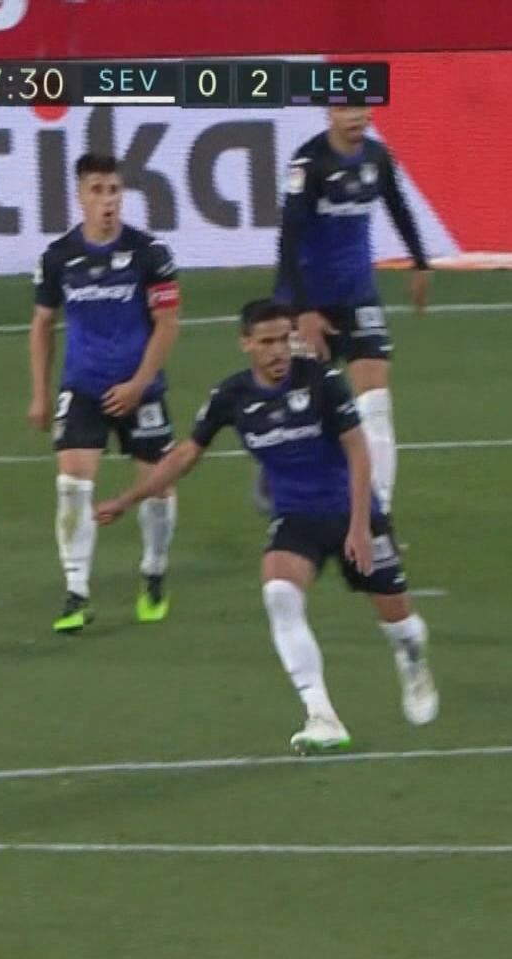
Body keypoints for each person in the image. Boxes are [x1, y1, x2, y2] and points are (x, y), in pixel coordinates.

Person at [96, 299, 438, 754]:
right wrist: (127, 499)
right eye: (267, 342)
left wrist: (359, 526)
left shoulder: (323, 382)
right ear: (246, 344)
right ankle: (321, 715)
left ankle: (411, 656)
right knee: (279, 594)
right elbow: (184, 456)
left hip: (352, 512)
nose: (278, 351)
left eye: (284, 339)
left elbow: (358, 451)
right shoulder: (231, 396)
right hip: (295, 518)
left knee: (399, 622)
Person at [28, 152, 181, 633]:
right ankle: (76, 592)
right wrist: (40, 394)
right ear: (80, 196)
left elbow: (167, 323)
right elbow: (42, 325)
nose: (107, 200)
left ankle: (153, 572)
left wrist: (138, 384)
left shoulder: (150, 253)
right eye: (97, 190)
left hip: (141, 388)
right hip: (84, 387)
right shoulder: (58, 258)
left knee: (158, 488)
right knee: (72, 485)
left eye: (114, 190)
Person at [274, 105, 430, 515]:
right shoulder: (309, 164)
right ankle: (283, 484)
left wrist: (419, 262)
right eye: (345, 109)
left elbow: (397, 205)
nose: (356, 117)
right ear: (330, 114)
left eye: (361, 107)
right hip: (309, 300)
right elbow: (288, 240)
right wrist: (303, 311)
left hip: (359, 297)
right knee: (305, 410)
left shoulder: (377, 157)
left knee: (375, 403)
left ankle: (379, 513)